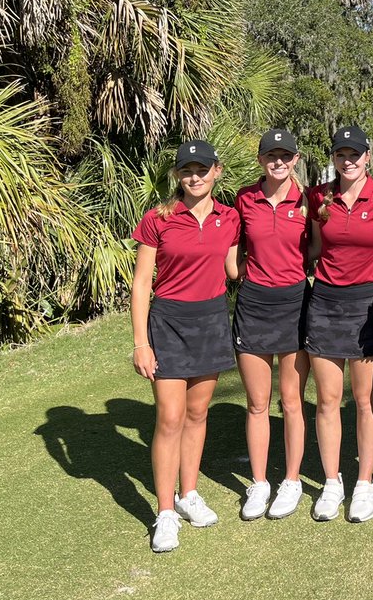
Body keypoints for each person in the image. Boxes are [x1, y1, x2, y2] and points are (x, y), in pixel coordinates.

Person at [131, 139, 240, 553]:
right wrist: (141, 342)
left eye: (202, 168)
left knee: (197, 414)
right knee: (170, 418)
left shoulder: (229, 219)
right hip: (169, 321)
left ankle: (188, 494)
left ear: (217, 170)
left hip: (212, 319)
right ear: (178, 175)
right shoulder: (158, 218)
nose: (195, 176)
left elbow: (233, 270)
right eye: (187, 170)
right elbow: (142, 283)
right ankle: (165, 513)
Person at [304, 126, 373, 523]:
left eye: (355, 154)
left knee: (364, 399)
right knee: (327, 399)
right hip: (324, 302)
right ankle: (331, 481)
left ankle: (364, 483)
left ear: (368, 157)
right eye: (342, 154)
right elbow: (314, 249)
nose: (349, 160)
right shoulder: (318, 197)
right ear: (335, 158)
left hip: (367, 304)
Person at [233, 130, 311, 521]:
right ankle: (259, 482)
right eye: (271, 156)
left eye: (285, 156)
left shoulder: (310, 201)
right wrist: (248, 274)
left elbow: (314, 251)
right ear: (261, 160)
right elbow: (235, 257)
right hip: (254, 304)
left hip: (295, 302)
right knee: (257, 403)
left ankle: (292, 481)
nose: (278, 162)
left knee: (292, 400)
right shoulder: (245, 198)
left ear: (296, 159)